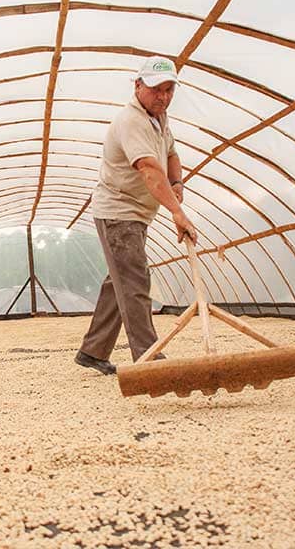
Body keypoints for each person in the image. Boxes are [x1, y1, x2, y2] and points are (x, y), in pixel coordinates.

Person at [75, 56, 198, 375]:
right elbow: (148, 169)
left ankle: (93, 351)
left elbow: (170, 154)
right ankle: (148, 357)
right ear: (138, 86)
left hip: (137, 213)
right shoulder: (132, 122)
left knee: (119, 280)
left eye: (170, 90)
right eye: (157, 89)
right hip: (118, 211)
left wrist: (177, 182)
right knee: (134, 279)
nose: (164, 96)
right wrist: (177, 212)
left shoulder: (160, 118)